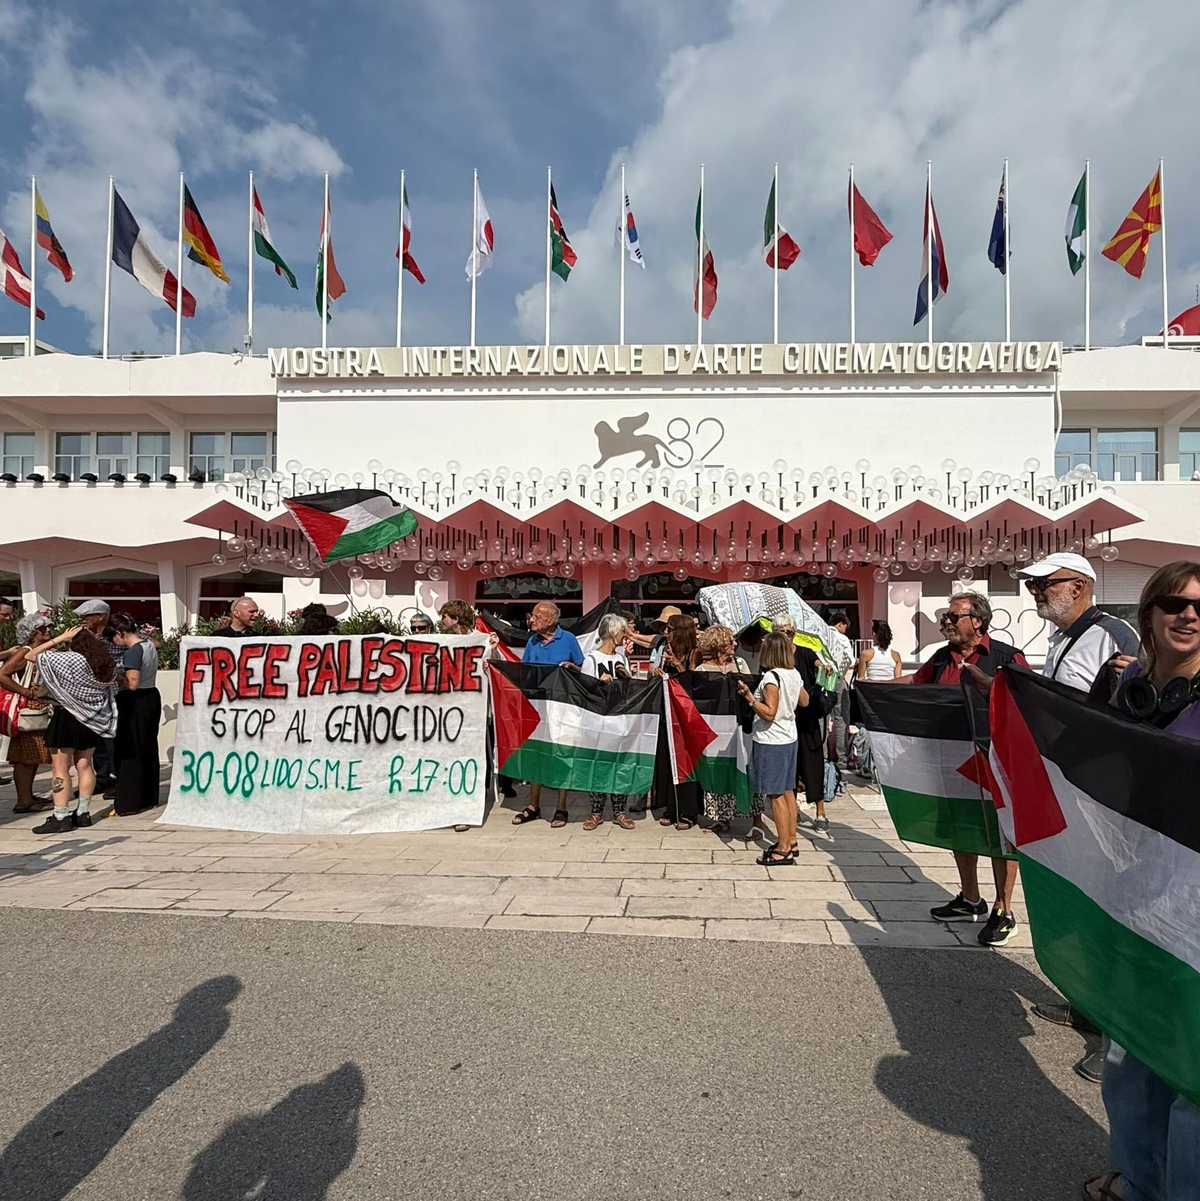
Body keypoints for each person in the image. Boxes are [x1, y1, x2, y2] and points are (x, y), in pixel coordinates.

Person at [1084, 560, 1200, 1201]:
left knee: (1191, 1074)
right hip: (1131, 898)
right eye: (1175, 604)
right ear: (1149, 617)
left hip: (1194, 908)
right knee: (1128, 1058)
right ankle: (1138, 1180)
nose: (1189, 615)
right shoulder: (1127, 694)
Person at [1018, 553, 1140, 1083]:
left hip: (1107, 792)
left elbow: (1134, 710)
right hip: (1069, 784)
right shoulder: (1062, 638)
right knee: (1083, 897)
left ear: (1081, 586)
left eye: (1046, 584)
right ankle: (1089, 1004)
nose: (1037, 593)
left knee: (1112, 907)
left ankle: (1116, 1036)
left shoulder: (1114, 634)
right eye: (1033, 586)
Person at [900, 591, 1028, 947]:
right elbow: (914, 686)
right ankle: (971, 899)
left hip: (994, 764)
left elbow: (1027, 703)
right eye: (945, 616)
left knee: (1000, 835)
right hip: (951, 763)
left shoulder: (1006, 657)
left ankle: (1004, 911)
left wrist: (992, 693)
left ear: (977, 621)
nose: (946, 622)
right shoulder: (941, 659)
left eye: (953, 616)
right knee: (961, 828)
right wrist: (867, 688)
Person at [25, 625, 117, 832]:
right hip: (90, 718)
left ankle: (61, 815)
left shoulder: (70, 659)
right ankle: (83, 813)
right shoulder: (102, 662)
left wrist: (59, 638)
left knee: (60, 768)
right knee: (85, 765)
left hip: (67, 715)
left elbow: (31, 656)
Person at [511, 602, 583, 828]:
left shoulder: (569, 639)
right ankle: (533, 806)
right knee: (537, 754)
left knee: (562, 753)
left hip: (563, 708)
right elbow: (524, 670)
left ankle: (562, 807)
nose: (531, 620)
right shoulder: (532, 641)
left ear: (551, 620)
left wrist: (572, 668)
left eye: (536, 616)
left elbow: (583, 670)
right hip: (538, 708)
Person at [737, 631, 803, 867]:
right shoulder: (794, 674)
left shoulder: (771, 678)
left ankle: (783, 847)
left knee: (775, 795)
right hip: (790, 737)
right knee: (787, 791)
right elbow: (804, 701)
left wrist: (750, 699)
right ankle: (792, 840)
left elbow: (769, 712)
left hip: (771, 740)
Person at [695, 625, 759, 836]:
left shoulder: (740, 664)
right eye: (729, 641)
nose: (734, 644)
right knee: (718, 770)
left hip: (740, 727)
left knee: (746, 766)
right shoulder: (702, 671)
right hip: (716, 732)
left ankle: (755, 817)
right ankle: (722, 819)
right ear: (718, 645)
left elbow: (753, 689)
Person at [580, 613, 637, 831]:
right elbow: (585, 691)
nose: (626, 635)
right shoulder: (592, 659)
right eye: (623, 631)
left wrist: (627, 678)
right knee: (598, 766)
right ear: (614, 632)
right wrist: (598, 683)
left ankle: (619, 811)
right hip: (598, 722)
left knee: (619, 766)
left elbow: (629, 692)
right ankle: (596, 811)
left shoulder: (622, 659)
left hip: (618, 721)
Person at [774, 615, 831, 833]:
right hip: (784, 718)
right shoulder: (773, 657)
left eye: (789, 632)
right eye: (781, 632)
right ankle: (793, 809)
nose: (786, 636)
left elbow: (817, 662)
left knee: (813, 763)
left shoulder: (804, 652)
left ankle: (820, 810)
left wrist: (824, 666)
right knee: (791, 765)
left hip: (806, 716)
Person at [651, 614, 702, 829]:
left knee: (686, 761)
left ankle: (689, 811)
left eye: (669, 628)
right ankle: (671, 807)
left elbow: (695, 683)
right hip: (667, 711)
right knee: (667, 758)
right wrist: (658, 672)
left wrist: (678, 666)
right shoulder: (666, 649)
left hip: (687, 716)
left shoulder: (694, 652)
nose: (665, 632)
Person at [0, 612, 54, 814]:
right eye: (43, 628)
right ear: (33, 632)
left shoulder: (36, 650)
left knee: (32, 757)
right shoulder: (25, 651)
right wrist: (25, 691)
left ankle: (27, 796)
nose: (48, 630)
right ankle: (23, 800)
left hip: (34, 709)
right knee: (25, 757)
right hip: (27, 710)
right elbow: (2, 674)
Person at [109, 613, 162, 816]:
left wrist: (116, 676)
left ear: (119, 633)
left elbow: (132, 684)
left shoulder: (132, 652)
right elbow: (156, 643)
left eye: (113, 637)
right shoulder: (148, 644)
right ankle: (148, 796)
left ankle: (129, 801)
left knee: (130, 749)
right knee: (148, 746)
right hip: (151, 696)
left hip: (135, 700)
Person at [75, 599, 121, 796]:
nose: (83, 620)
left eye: (87, 616)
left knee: (112, 740)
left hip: (114, 693)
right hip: (92, 697)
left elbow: (147, 641)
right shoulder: (83, 637)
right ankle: (101, 777)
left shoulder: (115, 634)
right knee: (97, 740)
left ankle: (117, 778)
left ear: (101, 616)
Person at [827, 611, 853, 764]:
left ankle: (823, 756)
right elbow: (850, 660)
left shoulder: (820, 634)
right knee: (841, 717)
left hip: (822, 678)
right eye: (845, 627)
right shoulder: (842, 639)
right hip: (837, 677)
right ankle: (842, 757)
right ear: (840, 624)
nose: (845, 630)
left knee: (822, 717)